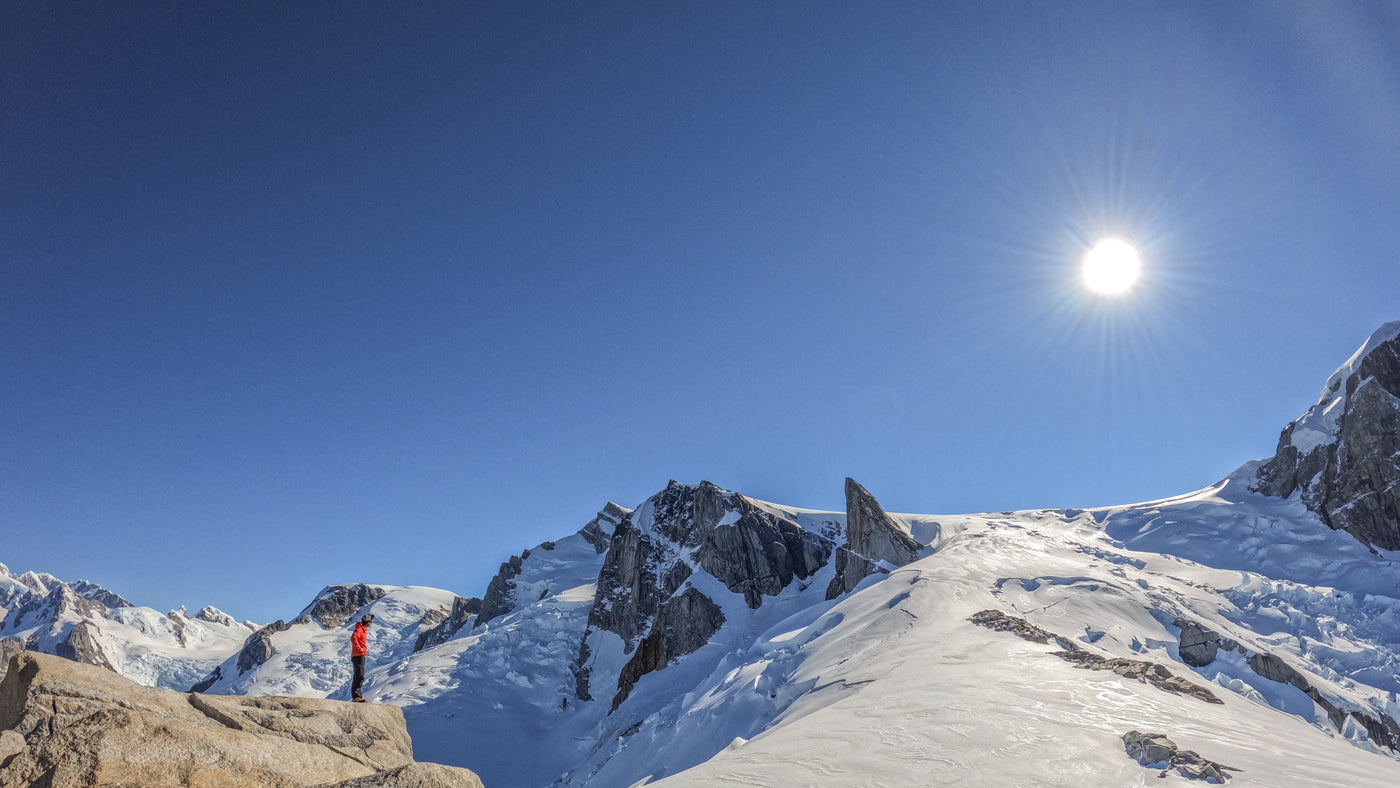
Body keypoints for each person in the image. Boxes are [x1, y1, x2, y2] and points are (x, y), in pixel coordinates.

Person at [350, 614, 373, 702]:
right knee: (359, 676)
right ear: (367, 622)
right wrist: (359, 648)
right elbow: (353, 638)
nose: (371, 623)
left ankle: (357, 697)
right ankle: (356, 697)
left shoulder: (362, 630)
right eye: (370, 621)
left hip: (360, 655)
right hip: (358, 655)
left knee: (359, 676)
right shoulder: (359, 629)